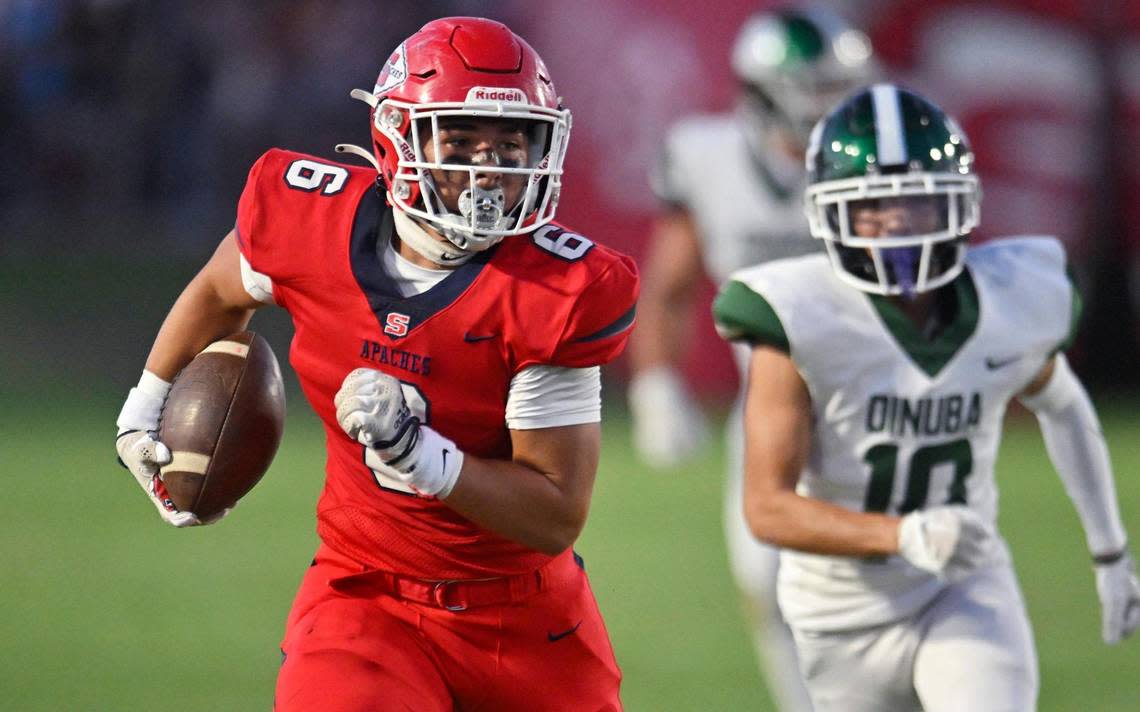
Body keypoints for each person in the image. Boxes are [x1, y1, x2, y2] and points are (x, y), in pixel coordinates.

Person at [114, 17, 637, 711]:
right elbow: (220, 288)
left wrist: (423, 457)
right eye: (459, 140)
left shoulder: (556, 290)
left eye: (512, 144)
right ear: (397, 135)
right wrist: (146, 405)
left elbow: (553, 512)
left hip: (526, 622)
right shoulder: (310, 220)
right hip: (366, 601)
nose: (490, 170)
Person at [713, 83, 1140, 712]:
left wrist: (1111, 552)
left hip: (961, 586)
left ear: (958, 205)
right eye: (873, 206)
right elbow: (768, 509)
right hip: (838, 609)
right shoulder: (799, 316)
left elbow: (1066, 406)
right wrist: (903, 534)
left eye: (916, 201)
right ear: (831, 214)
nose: (896, 223)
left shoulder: (1008, 299)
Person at [627, 6, 874, 709]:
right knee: (768, 583)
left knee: (886, 587)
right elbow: (671, 285)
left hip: (875, 401)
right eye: (816, 88)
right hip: (768, 405)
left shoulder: (876, 152)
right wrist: (656, 385)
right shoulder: (707, 157)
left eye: (840, 87)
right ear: (764, 91)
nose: (834, 105)